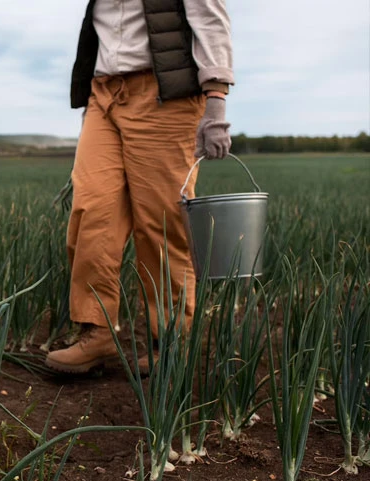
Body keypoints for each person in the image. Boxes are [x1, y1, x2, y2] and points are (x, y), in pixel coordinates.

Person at [45, 0, 234, 374]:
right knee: (91, 210)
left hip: (164, 96)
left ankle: (173, 342)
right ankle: (97, 332)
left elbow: (210, 18)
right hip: (103, 95)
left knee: (161, 223)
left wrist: (216, 102)